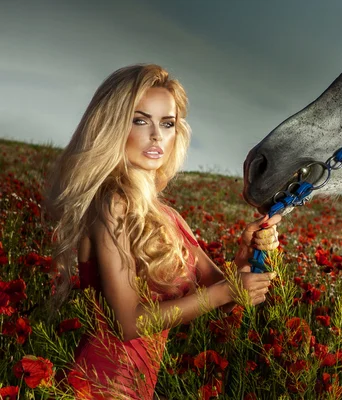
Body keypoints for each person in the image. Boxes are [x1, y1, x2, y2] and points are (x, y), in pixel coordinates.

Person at [45, 64, 281, 399]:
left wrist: (245, 258)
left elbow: (227, 303)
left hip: (137, 388)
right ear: (112, 126)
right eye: (140, 120)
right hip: (98, 385)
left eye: (167, 123)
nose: (156, 135)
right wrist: (226, 292)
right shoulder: (111, 206)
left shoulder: (169, 216)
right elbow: (127, 324)